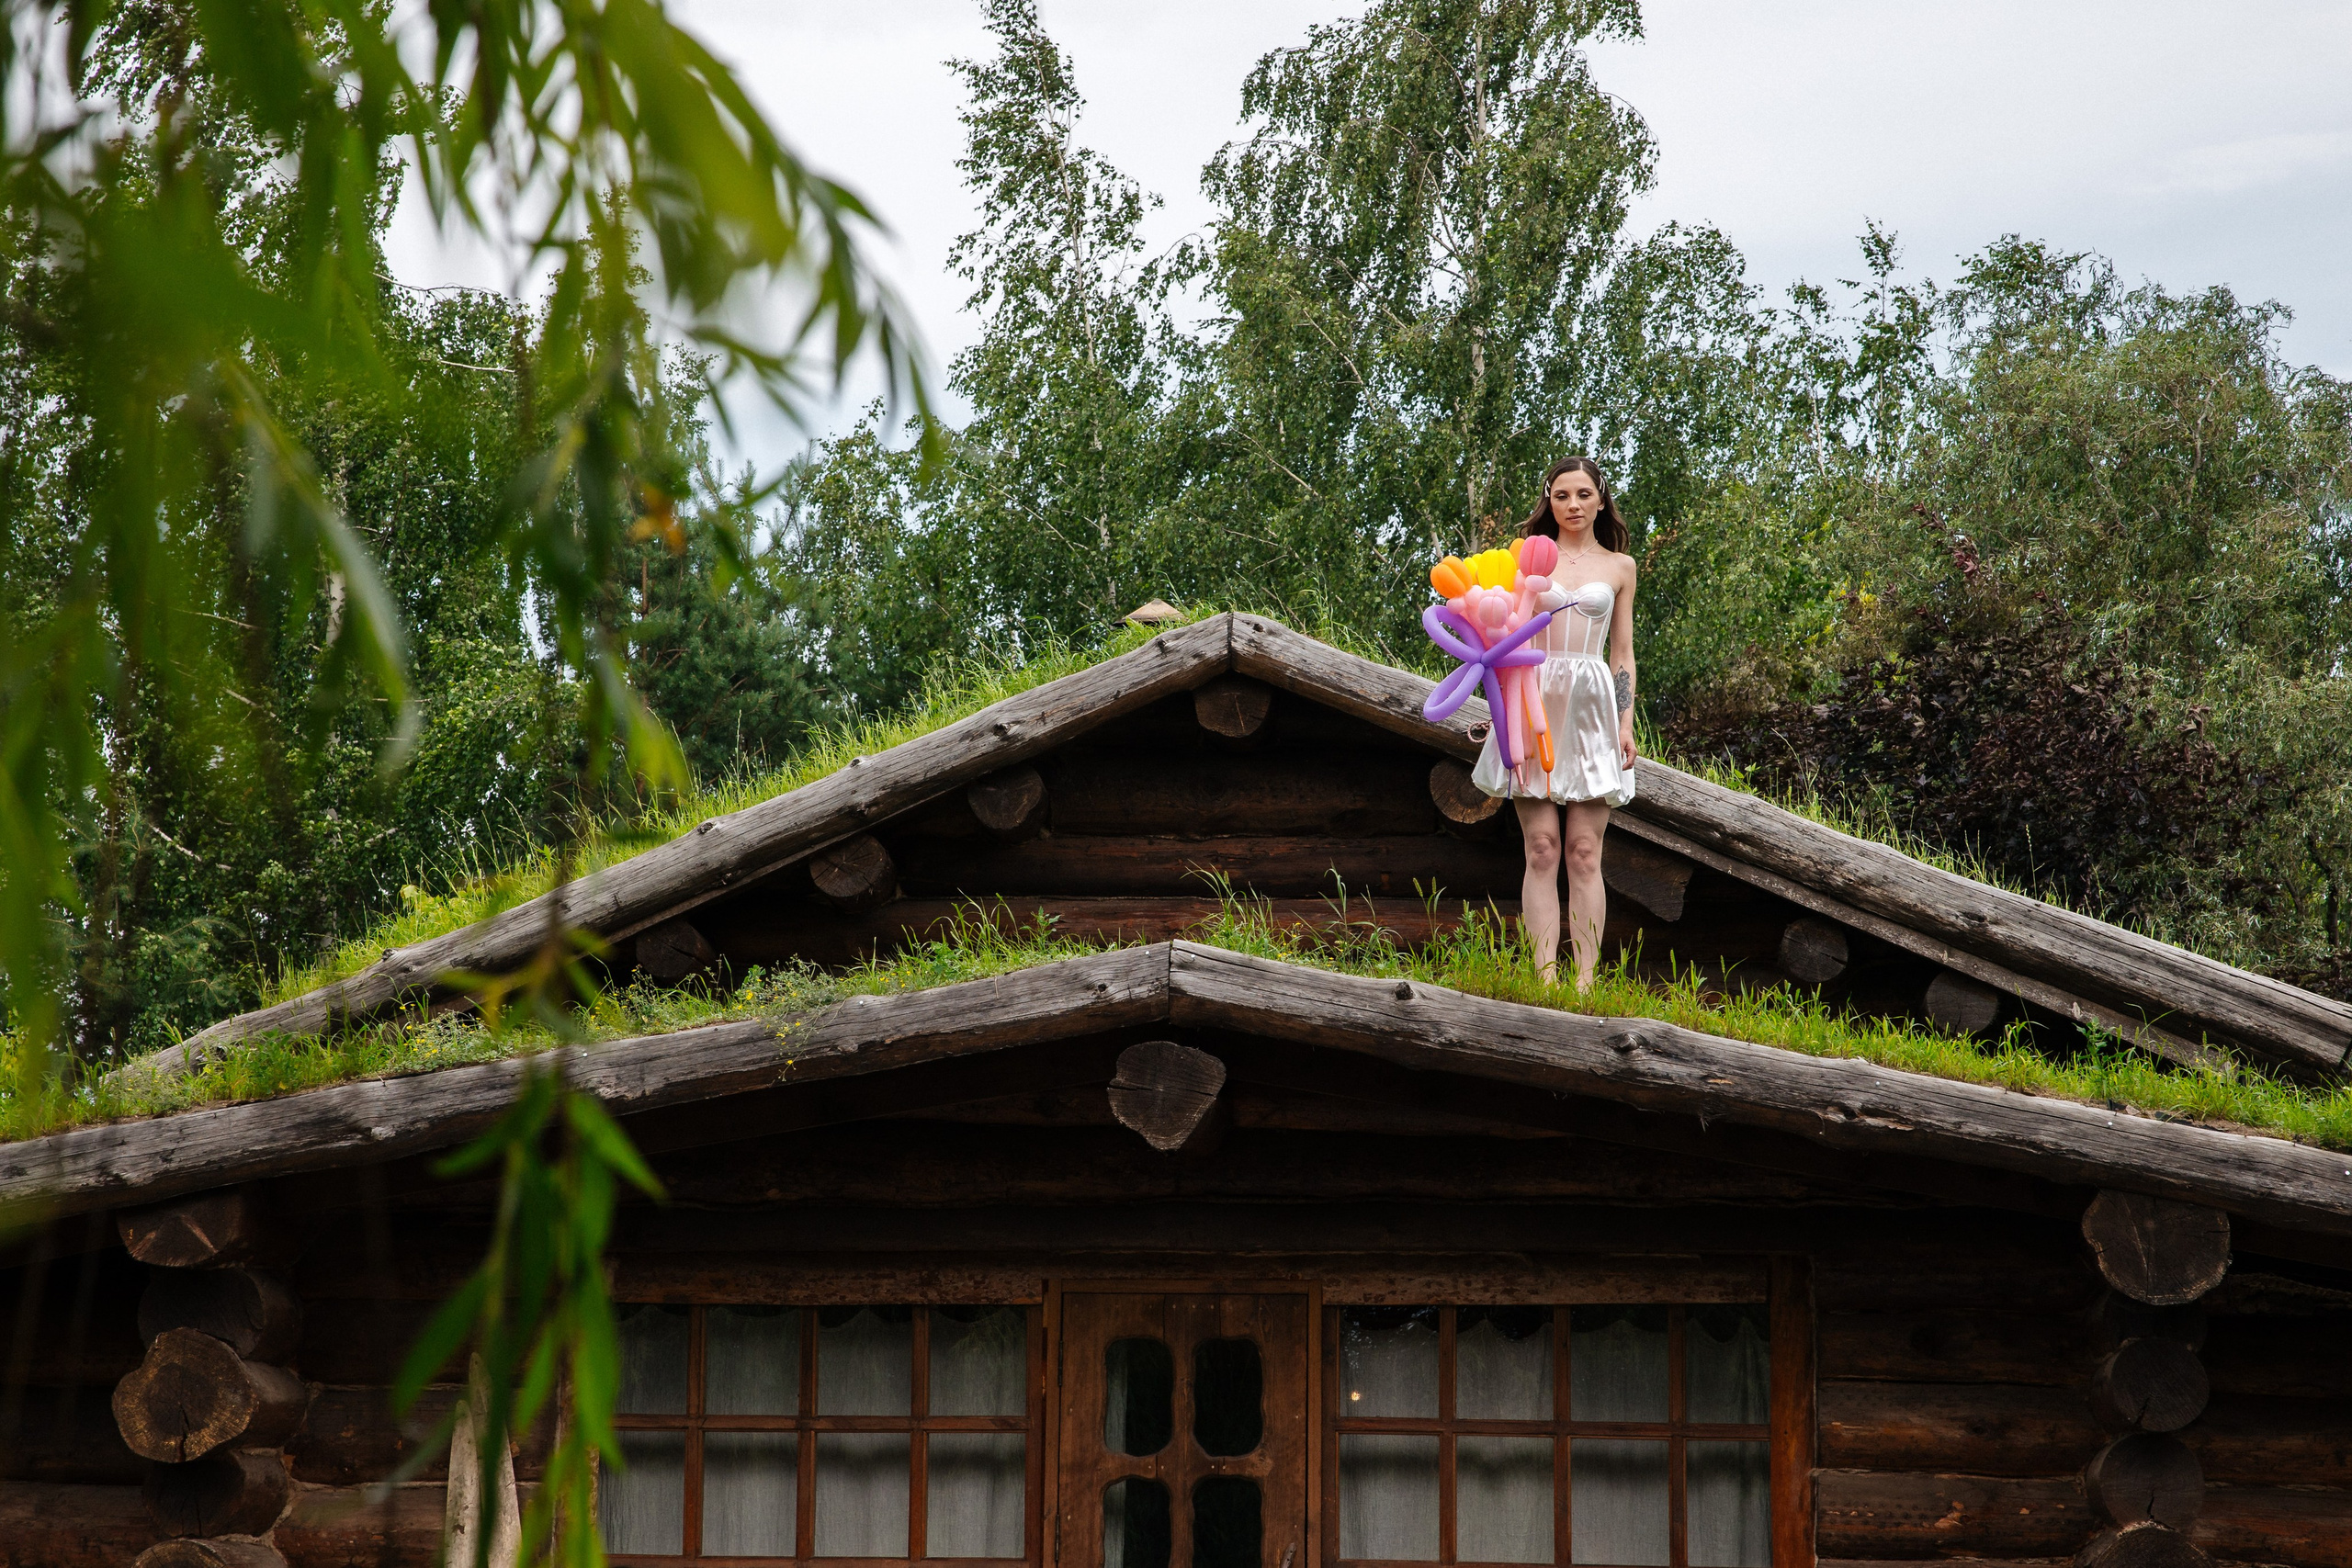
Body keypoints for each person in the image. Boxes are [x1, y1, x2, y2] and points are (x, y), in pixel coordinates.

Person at [1468, 457, 1638, 988]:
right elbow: (1497, 626)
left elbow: (1623, 653)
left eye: (1584, 494)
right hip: (1532, 701)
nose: (1573, 505)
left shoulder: (1620, 568)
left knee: (1584, 851)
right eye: (1562, 495)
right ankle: (1543, 982)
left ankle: (1584, 986)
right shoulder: (1525, 559)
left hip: (1591, 708)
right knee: (1541, 846)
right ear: (1549, 499)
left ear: (1601, 500)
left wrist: (1625, 721)